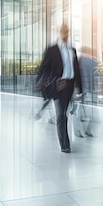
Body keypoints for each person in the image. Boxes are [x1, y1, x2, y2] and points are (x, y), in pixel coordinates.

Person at [36, 23, 82, 153]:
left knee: (64, 114)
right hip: (58, 86)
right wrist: (50, 82)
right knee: (61, 114)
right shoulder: (52, 50)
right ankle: (64, 145)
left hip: (70, 85)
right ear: (60, 32)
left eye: (67, 31)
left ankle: (65, 141)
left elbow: (76, 70)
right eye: (63, 31)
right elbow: (43, 69)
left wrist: (80, 88)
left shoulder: (72, 50)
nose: (65, 33)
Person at [71, 47, 97, 138]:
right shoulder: (93, 61)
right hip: (87, 89)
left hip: (80, 88)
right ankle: (86, 130)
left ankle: (79, 131)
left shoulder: (80, 60)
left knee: (77, 111)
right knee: (88, 111)